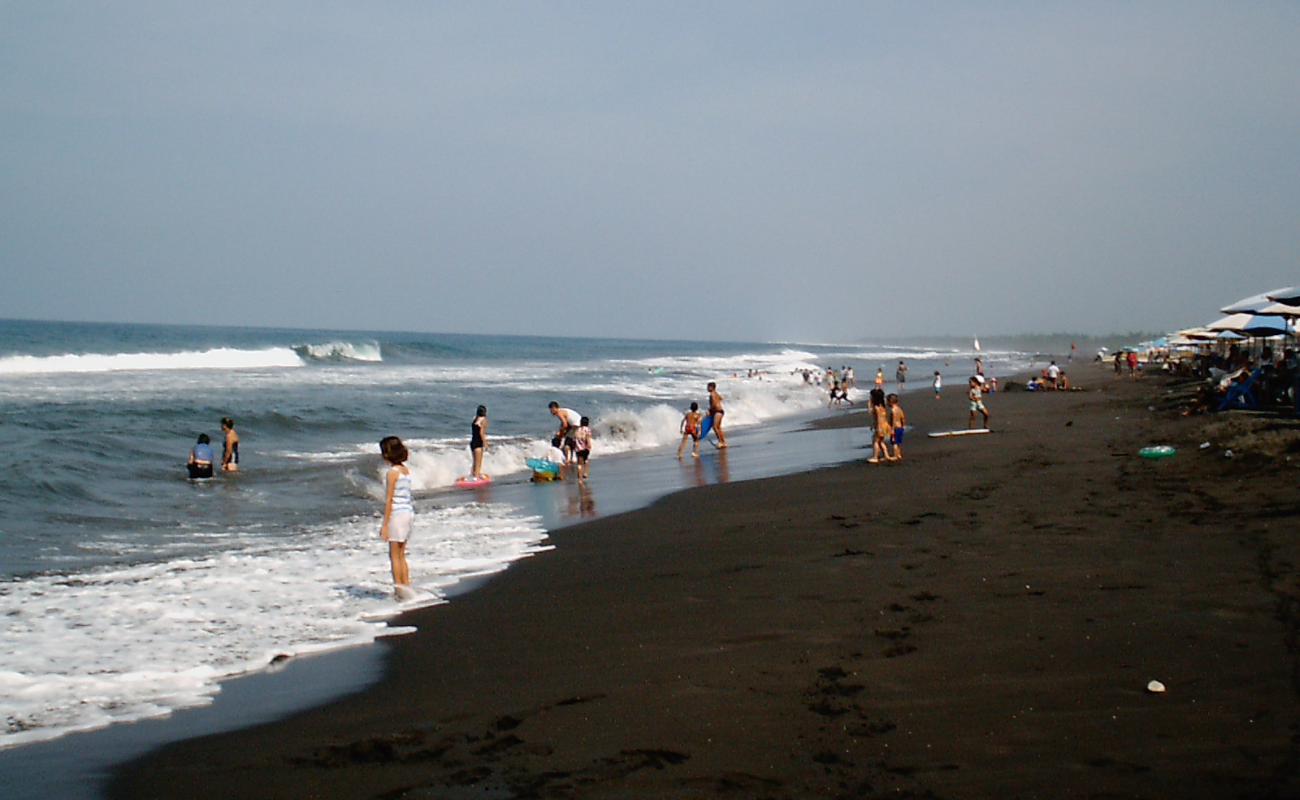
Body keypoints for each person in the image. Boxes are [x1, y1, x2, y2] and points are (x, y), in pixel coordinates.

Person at [378, 436, 414, 598]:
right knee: (401, 554)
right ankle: (406, 586)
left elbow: (389, 500)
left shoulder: (392, 473)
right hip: (408, 513)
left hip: (397, 515)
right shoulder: (405, 470)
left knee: (394, 555)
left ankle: (399, 590)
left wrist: (385, 525)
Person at [868, 388, 891, 464]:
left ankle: (875, 457)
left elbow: (878, 418)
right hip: (884, 424)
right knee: (881, 442)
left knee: (875, 441)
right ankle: (886, 455)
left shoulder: (876, 408)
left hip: (880, 426)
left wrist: (877, 427)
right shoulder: (882, 406)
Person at [469, 405, 489, 480]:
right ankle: (476, 477)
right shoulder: (484, 420)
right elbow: (481, 433)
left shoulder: (475, 419)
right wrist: (485, 443)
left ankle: (473, 475)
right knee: (478, 463)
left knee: (474, 462)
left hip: (473, 442)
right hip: (478, 443)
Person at [707, 382, 728, 448]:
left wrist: (710, 410)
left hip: (717, 412)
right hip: (720, 411)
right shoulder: (716, 393)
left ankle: (721, 442)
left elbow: (714, 404)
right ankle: (723, 442)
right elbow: (721, 398)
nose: (707, 388)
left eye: (708, 387)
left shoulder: (712, 394)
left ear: (712, 387)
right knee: (718, 427)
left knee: (715, 427)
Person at [887, 393, 907, 461]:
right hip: (900, 427)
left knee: (894, 443)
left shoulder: (893, 410)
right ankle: (898, 454)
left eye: (887, 402)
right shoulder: (899, 409)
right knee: (898, 442)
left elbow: (893, 421)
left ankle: (895, 455)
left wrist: (892, 429)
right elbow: (903, 418)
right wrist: (903, 425)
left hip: (895, 428)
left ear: (890, 402)